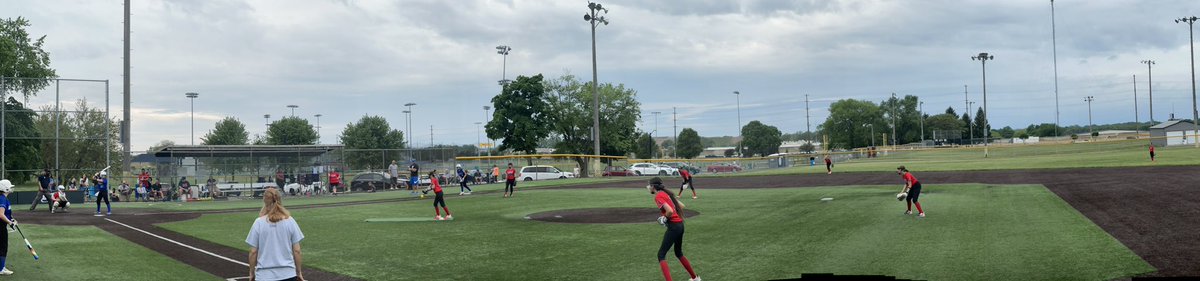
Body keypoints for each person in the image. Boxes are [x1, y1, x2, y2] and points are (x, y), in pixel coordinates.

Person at [245, 187, 305, 281]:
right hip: (288, 274)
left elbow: (253, 252)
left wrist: (251, 273)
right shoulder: (290, 221)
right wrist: (299, 272)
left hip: (264, 276)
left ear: (265, 201)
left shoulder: (259, 222)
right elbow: (297, 250)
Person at [646, 177, 700, 281]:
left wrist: (664, 218)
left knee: (661, 255)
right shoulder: (667, 194)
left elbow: (670, 211)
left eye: (650, 185)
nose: (649, 187)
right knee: (678, 253)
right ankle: (695, 278)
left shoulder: (659, 196)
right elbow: (682, 206)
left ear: (653, 186)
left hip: (674, 227)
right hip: (680, 225)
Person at [0, 179, 18, 275]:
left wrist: (12, 220)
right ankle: (1, 269)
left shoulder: (3, 198)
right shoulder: (2, 198)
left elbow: (6, 214)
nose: (11, 188)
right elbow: (1, 214)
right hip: (1, 227)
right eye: (10, 187)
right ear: (5, 188)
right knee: (3, 247)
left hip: (2, 225)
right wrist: (10, 223)